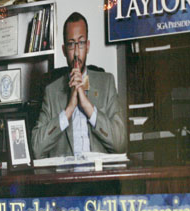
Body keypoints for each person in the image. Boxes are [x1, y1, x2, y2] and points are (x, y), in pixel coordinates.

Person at [31, 12, 127, 159]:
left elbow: (120, 144)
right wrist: (68, 110)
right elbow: (36, 149)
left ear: (87, 46)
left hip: (99, 179)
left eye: (81, 43)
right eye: (71, 44)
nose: (76, 53)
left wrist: (88, 107)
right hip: (66, 180)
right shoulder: (51, 92)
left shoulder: (106, 83)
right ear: (64, 50)